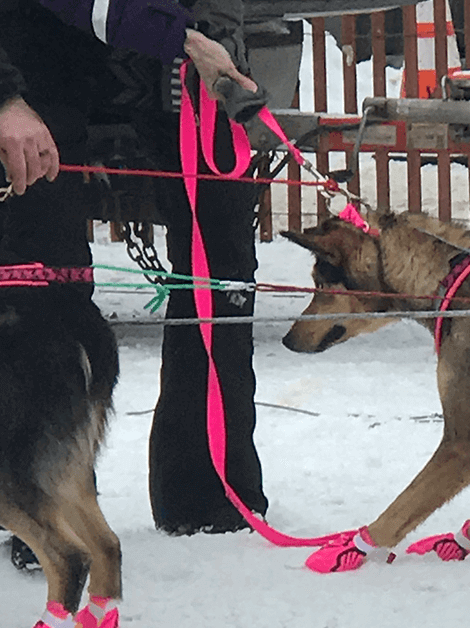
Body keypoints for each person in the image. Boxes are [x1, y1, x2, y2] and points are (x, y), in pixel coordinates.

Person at [0, 0, 268, 567]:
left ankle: (209, 489)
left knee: (222, 274)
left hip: (174, 50)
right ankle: (48, 506)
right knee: (43, 291)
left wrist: (210, 45)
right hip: (34, 58)